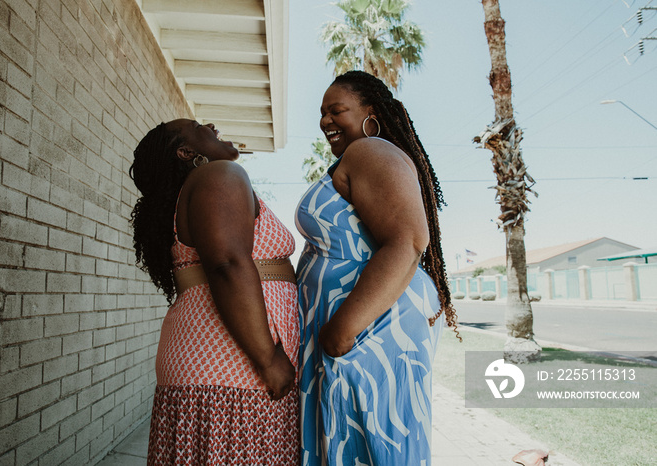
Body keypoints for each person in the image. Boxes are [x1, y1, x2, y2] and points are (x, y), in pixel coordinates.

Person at [295, 70, 460, 465]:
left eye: (337, 110)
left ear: (371, 112)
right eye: (321, 113)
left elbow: (407, 241)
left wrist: (342, 330)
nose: (325, 121)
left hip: (371, 331)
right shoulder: (361, 156)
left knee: (369, 448)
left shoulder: (368, 150)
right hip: (362, 330)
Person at [129, 119, 300, 465]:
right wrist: (267, 358)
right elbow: (227, 264)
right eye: (196, 125)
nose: (209, 124)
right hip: (232, 362)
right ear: (186, 152)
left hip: (214, 362)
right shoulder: (219, 174)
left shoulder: (199, 186)